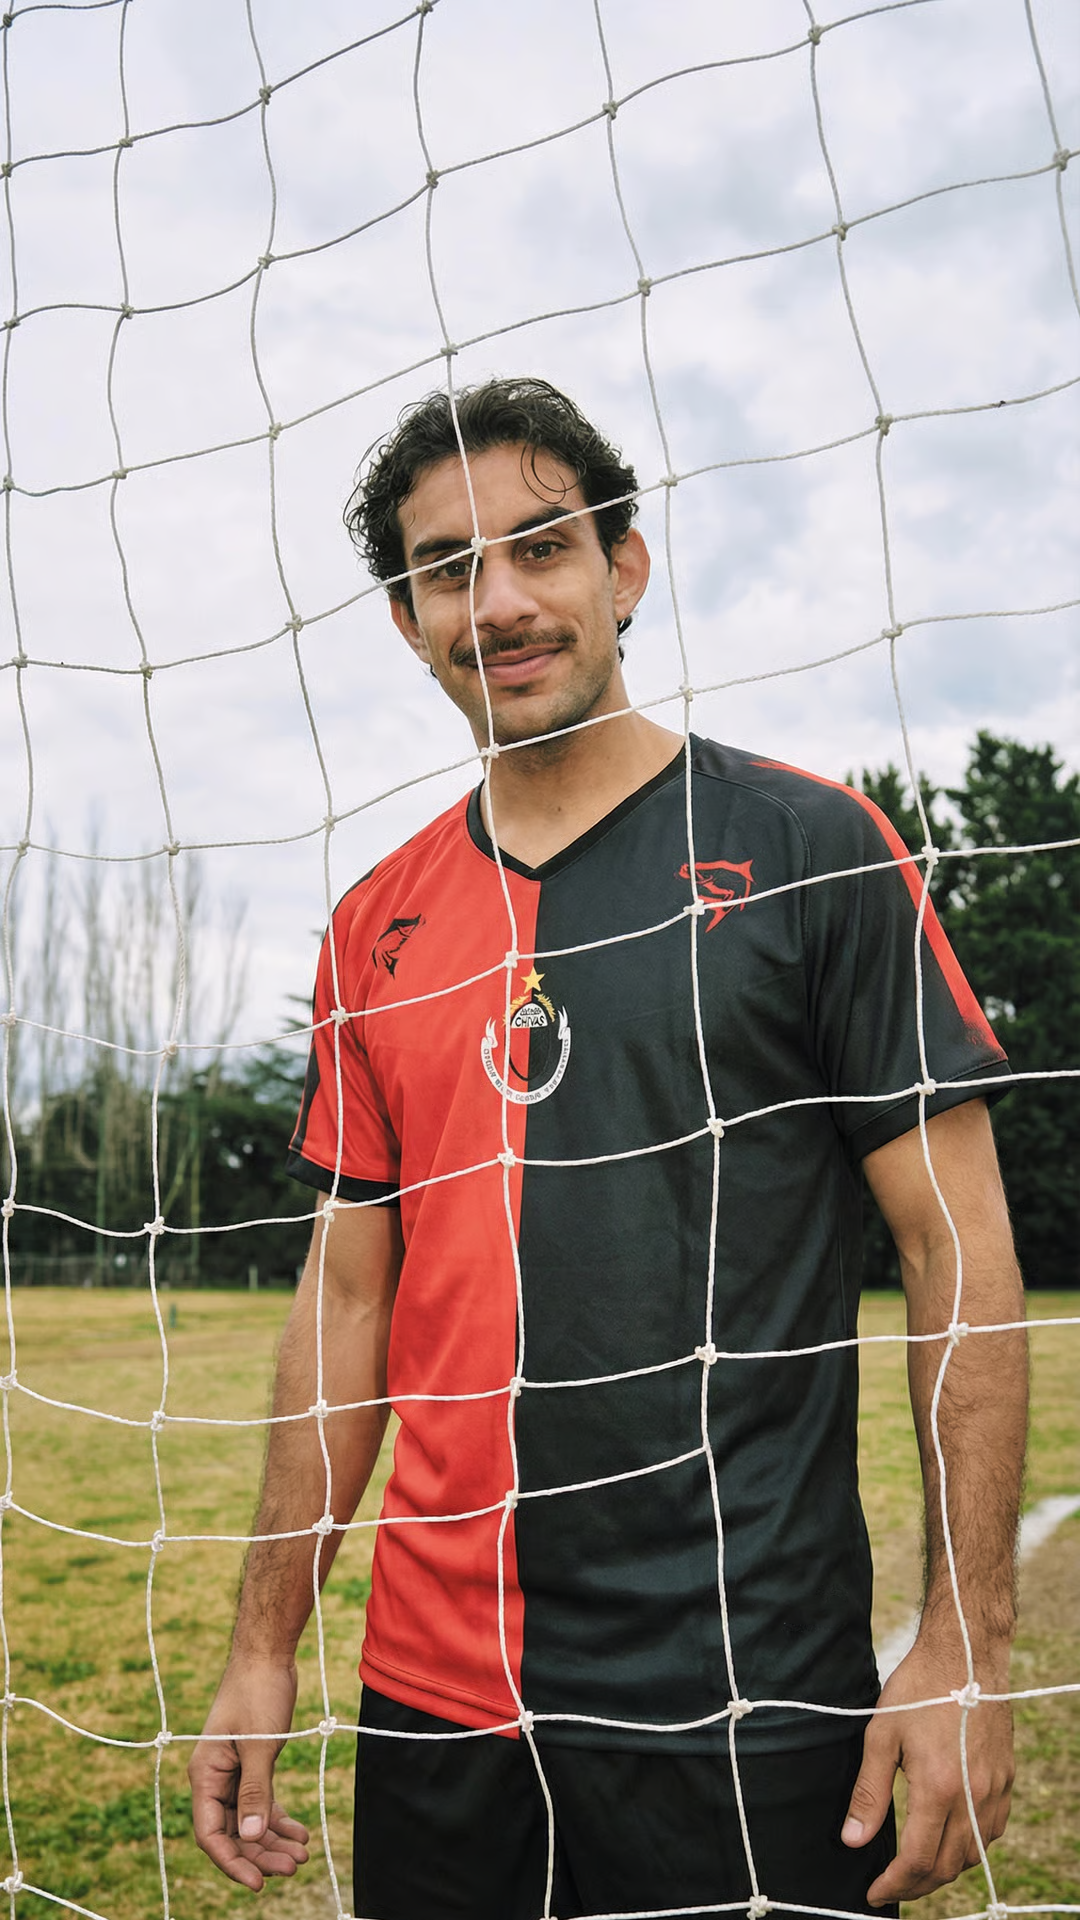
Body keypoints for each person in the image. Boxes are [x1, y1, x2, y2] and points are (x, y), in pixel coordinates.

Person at [189, 378, 1027, 1920]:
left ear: (624, 569)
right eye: (449, 567)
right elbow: (348, 1302)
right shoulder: (378, 924)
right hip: (438, 1707)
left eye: (541, 546)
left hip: (743, 1693)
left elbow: (955, 1255)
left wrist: (965, 1644)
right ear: (408, 619)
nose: (498, 602)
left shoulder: (813, 853)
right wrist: (262, 1638)